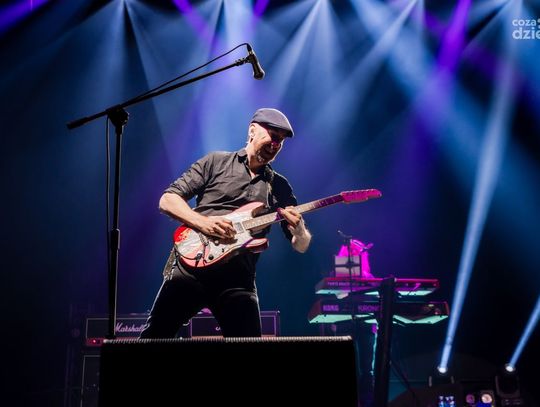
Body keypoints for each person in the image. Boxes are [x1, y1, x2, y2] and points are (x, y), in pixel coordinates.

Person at [140, 108, 312, 338]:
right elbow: (168, 200)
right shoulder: (215, 162)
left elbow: (301, 246)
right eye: (272, 136)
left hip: (237, 281)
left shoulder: (279, 186)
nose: (275, 144)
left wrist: (299, 230)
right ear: (252, 130)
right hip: (191, 268)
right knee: (152, 341)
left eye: (280, 141)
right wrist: (203, 223)